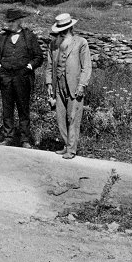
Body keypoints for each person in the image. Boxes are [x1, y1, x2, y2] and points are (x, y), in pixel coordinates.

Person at [0, 8, 43, 148]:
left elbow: (39, 57)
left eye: (12, 21)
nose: (10, 24)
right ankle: (8, 138)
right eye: (8, 21)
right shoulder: (2, 38)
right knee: (7, 109)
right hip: (5, 78)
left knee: (23, 109)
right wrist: (0, 68)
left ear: (19, 21)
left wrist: (29, 67)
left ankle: (25, 140)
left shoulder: (29, 37)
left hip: (22, 77)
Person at [46, 13, 92, 159]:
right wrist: (49, 84)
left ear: (71, 28)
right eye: (61, 30)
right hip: (58, 85)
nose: (62, 32)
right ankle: (66, 145)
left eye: (65, 29)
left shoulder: (81, 43)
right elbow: (49, 66)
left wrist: (82, 85)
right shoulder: (54, 44)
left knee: (73, 117)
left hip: (75, 85)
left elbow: (87, 67)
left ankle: (71, 150)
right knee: (60, 117)